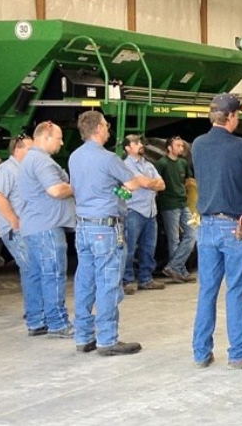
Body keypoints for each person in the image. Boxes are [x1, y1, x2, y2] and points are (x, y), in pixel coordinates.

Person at [190, 93, 242, 370]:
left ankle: (201, 351)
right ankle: (240, 351)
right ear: (231, 117)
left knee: (208, 290)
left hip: (207, 225)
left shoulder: (198, 145)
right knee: (238, 289)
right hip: (235, 227)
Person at [69, 112, 153, 356]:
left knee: (84, 280)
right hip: (105, 228)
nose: (108, 130)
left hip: (83, 225)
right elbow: (133, 185)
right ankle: (107, 339)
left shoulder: (74, 156)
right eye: (106, 126)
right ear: (97, 129)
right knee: (107, 281)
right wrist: (119, 190)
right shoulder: (108, 158)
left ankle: (83, 336)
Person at [18, 121, 75, 339]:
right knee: (53, 274)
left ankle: (36, 320)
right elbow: (55, 189)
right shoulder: (41, 162)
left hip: (32, 227)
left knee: (35, 275)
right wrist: (75, 187)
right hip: (47, 228)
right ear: (45, 136)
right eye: (59, 138)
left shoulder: (30, 160)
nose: (61, 142)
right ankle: (58, 323)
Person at [0, 134, 39, 335]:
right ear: (17, 150)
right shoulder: (6, 170)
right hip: (14, 229)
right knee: (30, 267)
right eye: (30, 149)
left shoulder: (26, 170)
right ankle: (35, 313)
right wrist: (13, 221)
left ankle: (36, 309)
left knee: (32, 267)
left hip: (27, 227)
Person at [122, 134, 166, 295]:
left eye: (140, 142)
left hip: (150, 211)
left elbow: (162, 185)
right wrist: (150, 183)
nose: (141, 144)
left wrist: (149, 183)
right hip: (134, 211)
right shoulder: (125, 165)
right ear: (127, 148)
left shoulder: (148, 165)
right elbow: (146, 183)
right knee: (129, 248)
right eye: (136, 143)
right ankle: (126, 281)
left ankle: (145, 279)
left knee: (149, 247)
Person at [156, 136, 198, 283]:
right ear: (169, 148)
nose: (181, 148)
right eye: (178, 145)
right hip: (169, 205)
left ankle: (174, 266)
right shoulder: (162, 164)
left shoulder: (183, 163)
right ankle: (180, 270)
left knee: (192, 234)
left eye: (182, 145)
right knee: (173, 239)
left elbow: (188, 180)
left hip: (183, 203)